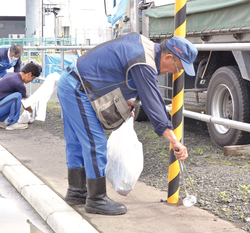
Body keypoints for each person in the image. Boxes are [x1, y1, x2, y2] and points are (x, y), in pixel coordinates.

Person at [57, 33, 198, 216]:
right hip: (78, 89)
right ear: (168, 57)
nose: (176, 72)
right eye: (178, 67)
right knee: (95, 143)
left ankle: (77, 192)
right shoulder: (144, 62)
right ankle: (96, 200)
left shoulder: (143, 46)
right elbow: (154, 105)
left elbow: (115, 71)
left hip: (71, 83)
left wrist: (126, 100)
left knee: (76, 142)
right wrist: (174, 141)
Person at [0, 62, 41, 131]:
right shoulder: (19, 84)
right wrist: (32, 112)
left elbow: (21, 95)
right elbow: (25, 105)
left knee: (17, 96)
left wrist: (30, 96)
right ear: (29, 74)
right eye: (33, 78)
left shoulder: (13, 75)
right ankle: (12, 123)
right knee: (18, 96)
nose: (31, 81)